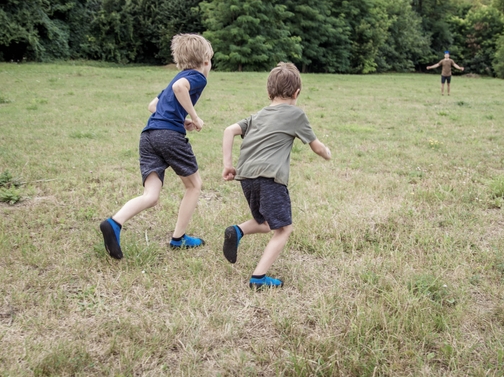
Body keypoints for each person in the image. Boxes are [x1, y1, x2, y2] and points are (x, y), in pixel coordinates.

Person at [100, 34, 212, 259]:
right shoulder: (197, 76)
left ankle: (115, 222)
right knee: (194, 186)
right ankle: (178, 239)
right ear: (206, 60)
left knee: (151, 195)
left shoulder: (176, 78)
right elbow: (181, 88)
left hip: (149, 136)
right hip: (168, 136)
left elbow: (154, 105)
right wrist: (195, 117)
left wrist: (181, 120)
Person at [221, 62, 332, 290]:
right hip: (270, 178)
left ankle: (237, 231)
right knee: (283, 229)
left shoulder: (258, 115)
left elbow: (229, 130)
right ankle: (258, 278)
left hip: (247, 177)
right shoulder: (296, 114)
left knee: (266, 222)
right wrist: (328, 154)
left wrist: (228, 165)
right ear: (296, 92)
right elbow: (317, 147)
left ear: (269, 92)